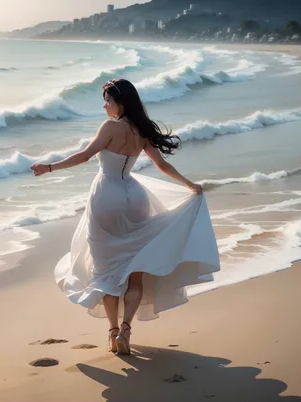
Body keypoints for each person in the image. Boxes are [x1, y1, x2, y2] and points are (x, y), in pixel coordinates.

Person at [30, 78, 220, 355]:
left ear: (120, 101)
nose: (104, 104)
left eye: (107, 99)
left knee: (106, 269)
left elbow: (84, 156)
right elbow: (162, 164)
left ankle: (113, 331)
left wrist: (48, 167)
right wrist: (189, 185)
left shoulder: (110, 127)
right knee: (134, 269)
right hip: (135, 196)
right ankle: (127, 329)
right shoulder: (141, 130)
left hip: (107, 196)